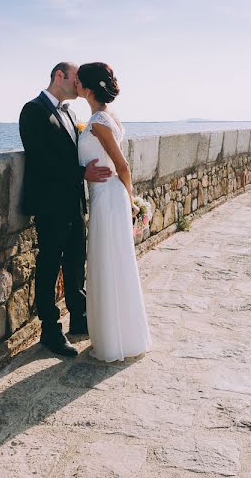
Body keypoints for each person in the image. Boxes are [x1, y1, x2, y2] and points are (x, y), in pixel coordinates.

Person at [18, 62, 113, 357]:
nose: (78, 84)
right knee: (48, 266)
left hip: (73, 202)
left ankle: (79, 317)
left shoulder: (71, 112)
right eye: (75, 79)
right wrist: (81, 174)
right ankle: (50, 330)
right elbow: (40, 158)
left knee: (75, 261)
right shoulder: (32, 110)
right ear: (59, 76)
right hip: (49, 203)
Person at [75, 62, 152, 362]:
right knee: (113, 262)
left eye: (80, 81)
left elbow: (122, 165)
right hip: (106, 196)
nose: (76, 84)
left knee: (109, 263)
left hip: (108, 198)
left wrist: (131, 200)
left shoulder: (97, 123)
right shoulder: (108, 117)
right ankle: (118, 334)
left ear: (89, 89)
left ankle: (114, 340)